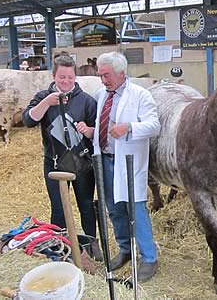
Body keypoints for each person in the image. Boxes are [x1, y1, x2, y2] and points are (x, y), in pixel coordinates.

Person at [22, 53, 103, 261]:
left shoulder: (86, 100)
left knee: (86, 206)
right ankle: (59, 249)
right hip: (54, 163)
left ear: (75, 77)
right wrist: (47, 103)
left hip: (82, 164)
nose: (66, 82)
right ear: (54, 76)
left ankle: (91, 247)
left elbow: (98, 132)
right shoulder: (43, 97)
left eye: (70, 77)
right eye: (61, 78)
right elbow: (28, 120)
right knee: (58, 208)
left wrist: (89, 130)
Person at [93, 51, 160, 282]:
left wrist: (129, 127)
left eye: (107, 75)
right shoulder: (102, 94)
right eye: (101, 75)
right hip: (105, 160)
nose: (103, 80)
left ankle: (149, 257)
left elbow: (154, 126)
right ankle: (125, 250)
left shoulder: (140, 95)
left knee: (136, 209)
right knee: (114, 209)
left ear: (122, 73)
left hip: (129, 162)